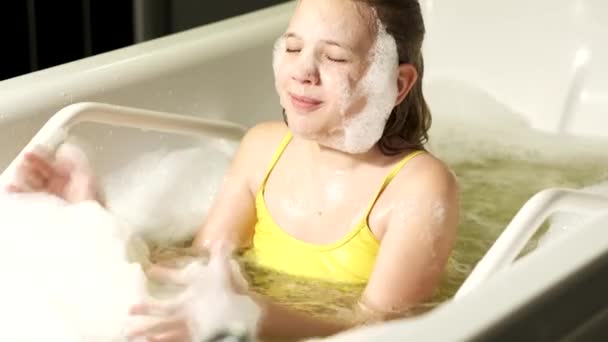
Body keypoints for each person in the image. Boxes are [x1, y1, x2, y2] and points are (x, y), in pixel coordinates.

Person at [6, 0, 459, 340]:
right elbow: (197, 265)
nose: (303, 70)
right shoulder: (263, 148)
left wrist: (251, 316)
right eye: (293, 46)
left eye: (335, 57)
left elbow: (386, 329)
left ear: (395, 83)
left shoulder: (417, 188)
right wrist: (95, 221)